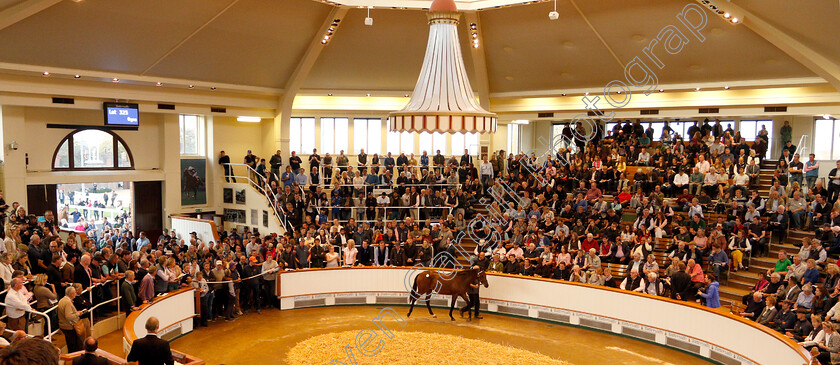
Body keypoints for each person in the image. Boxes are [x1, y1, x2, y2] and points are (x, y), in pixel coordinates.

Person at [59, 286, 85, 353]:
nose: (76, 294)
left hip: (65, 326)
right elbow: (69, 316)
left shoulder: (62, 300)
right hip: (69, 326)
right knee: (75, 346)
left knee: (72, 345)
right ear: (71, 294)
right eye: (75, 293)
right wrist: (78, 313)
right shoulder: (67, 302)